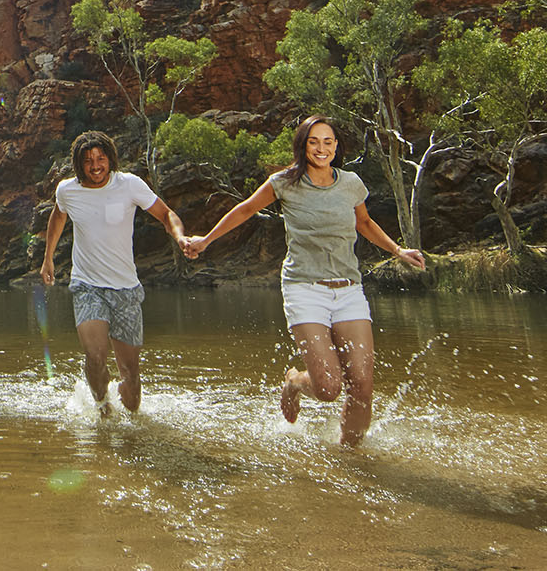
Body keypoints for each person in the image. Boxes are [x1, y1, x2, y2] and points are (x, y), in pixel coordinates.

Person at [182, 115, 425, 446]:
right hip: (304, 289)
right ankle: (295, 381)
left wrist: (399, 250)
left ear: (337, 147)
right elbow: (245, 210)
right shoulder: (284, 182)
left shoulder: (351, 183)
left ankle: (352, 460)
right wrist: (206, 240)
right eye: (314, 142)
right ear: (303, 146)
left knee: (363, 385)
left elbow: (364, 224)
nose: (321, 148)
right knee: (328, 388)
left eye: (328, 142)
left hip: (349, 289)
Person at [39, 130, 187, 413]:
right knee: (95, 357)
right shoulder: (67, 190)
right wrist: (48, 258)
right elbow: (58, 216)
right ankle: (102, 405)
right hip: (87, 286)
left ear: (110, 159)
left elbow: (166, 214)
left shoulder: (129, 185)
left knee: (130, 374)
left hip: (126, 290)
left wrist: (180, 237)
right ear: (79, 164)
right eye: (88, 161)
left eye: (101, 159)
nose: (95, 166)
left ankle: (130, 420)